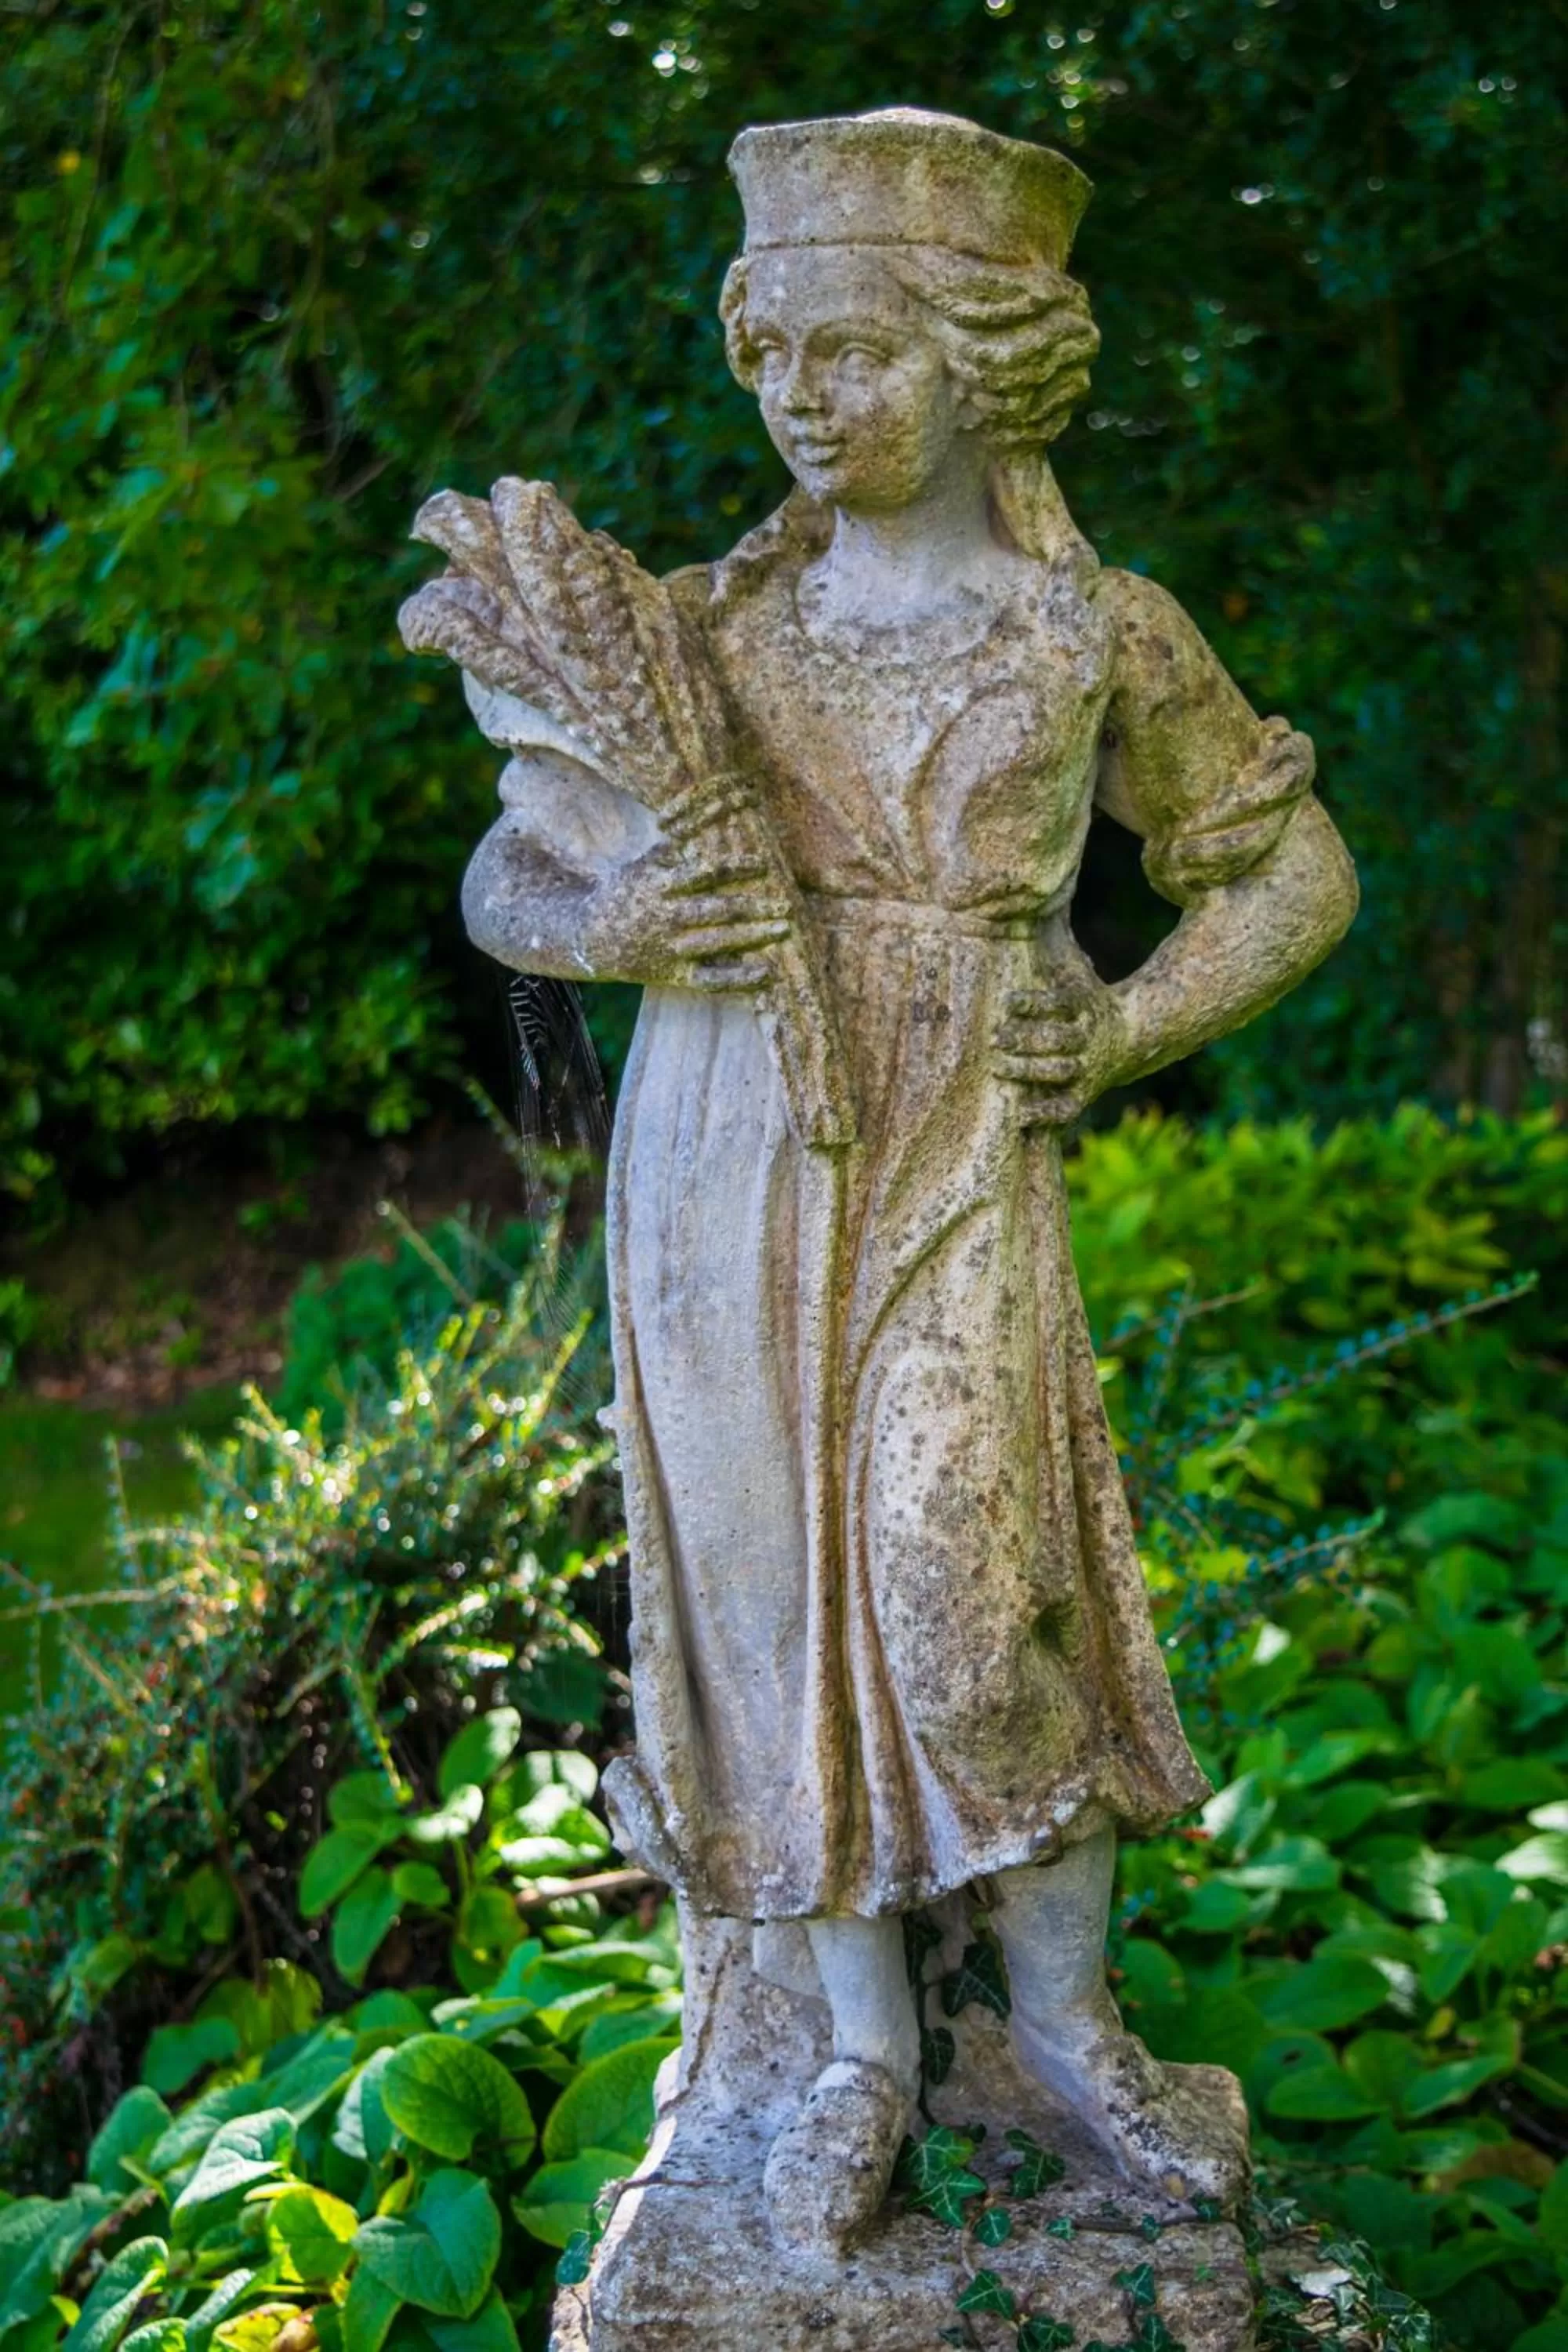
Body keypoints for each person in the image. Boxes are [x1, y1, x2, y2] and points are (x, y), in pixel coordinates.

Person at [460, 107, 1358, 2255]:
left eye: (850, 353)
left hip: (957, 1142)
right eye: (770, 356)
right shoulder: (702, 640)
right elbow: (514, 868)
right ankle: (853, 2047)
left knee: (964, 1596)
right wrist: (633, 921)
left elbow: (1293, 869)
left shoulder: (1087, 636)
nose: (797, 399)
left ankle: (1066, 2026)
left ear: (988, 359)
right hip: (718, 1160)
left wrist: (1129, 1023)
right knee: (771, 1625)